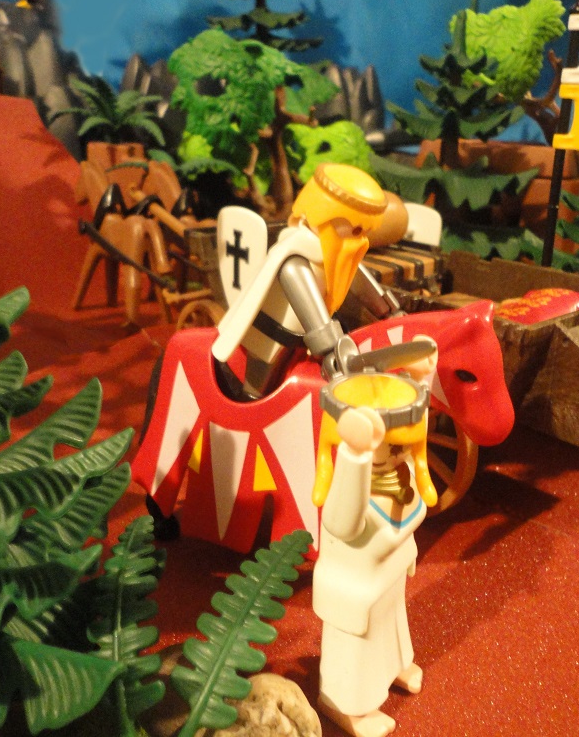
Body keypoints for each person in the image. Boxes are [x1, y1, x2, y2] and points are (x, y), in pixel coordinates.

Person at [311, 370, 437, 737]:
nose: (397, 450)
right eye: (389, 441)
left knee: (392, 629)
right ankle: (345, 706)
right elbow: (341, 522)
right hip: (357, 588)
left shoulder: (403, 470)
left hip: (389, 577)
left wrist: (422, 377)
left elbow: (415, 412)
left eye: (402, 443)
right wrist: (355, 455)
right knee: (355, 648)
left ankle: (394, 667)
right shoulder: (352, 487)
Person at [211, 162, 406, 398]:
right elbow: (310, 309)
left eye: (365, 232)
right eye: (356, 230)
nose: (361, 240)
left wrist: (389, 311)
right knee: (259, 386)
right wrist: (330, 348)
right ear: (325, 215)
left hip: (303, 339)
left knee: (289, 380)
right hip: (272, 336)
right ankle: (246, 409)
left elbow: (359, 281)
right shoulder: (294, 259)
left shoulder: (337, 256)